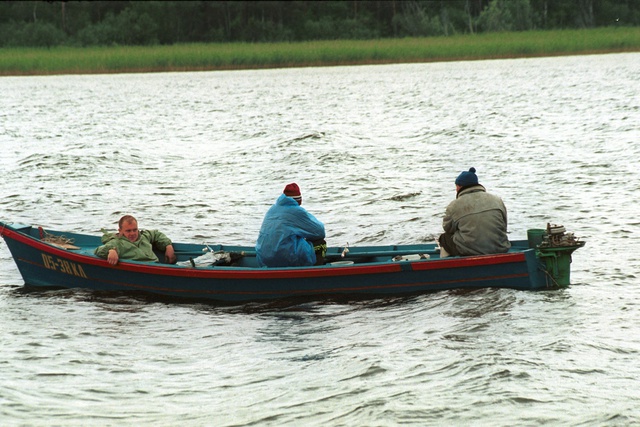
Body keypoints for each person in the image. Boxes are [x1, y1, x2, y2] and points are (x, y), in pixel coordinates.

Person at [438, 167, 511, 257]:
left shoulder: (454, 205)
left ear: (460, 186)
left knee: (444, 238)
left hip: (469, 251)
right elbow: (504, 225)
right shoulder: (497, 200)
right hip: (500, 248)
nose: (456, 190)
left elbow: (447, 228)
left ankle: (447, 267)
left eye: (456, 187)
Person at [256, 183, 326, 267]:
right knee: (321, 243)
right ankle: (313, 274)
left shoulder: (272, 209)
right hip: (285, 258)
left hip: (263, 258)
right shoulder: (297, 211)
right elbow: (320, 231)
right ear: (299, 200)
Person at [95, 215, 176, 265]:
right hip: (143, 270)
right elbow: (99, 250)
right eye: (128, 231)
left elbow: (156, 234)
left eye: (135, 230)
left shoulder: (144, 237)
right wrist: (111, 250)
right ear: (120, 231)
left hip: (156, 265)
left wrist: (168, 246)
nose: (132, 233)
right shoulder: (117, 243)